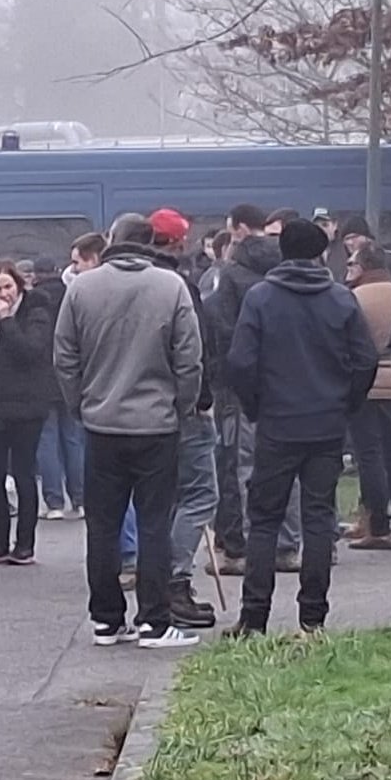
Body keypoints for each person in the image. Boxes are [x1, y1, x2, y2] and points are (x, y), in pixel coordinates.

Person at [55, 213, 204, 649]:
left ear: (111, 241)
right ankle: (154, 621)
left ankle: (106, 619)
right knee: (155, 523)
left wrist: (79, 404)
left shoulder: (82, 288)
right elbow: (189, 359)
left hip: (101, 423)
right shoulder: (170, 286)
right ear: (151, 243)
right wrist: (182, 405)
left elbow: (64, 357)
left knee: (102, 524)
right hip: (157, 424)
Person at [225, 220, 377, 636]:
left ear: (282, 253)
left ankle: (253, 617)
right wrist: (345, 404)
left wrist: (257, 407)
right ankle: (313, 617)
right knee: (318, 519)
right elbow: (365, 360)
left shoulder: (261, 298)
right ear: (320, 253)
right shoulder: (341, 299)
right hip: (326, 424)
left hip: (276, 423)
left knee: (264, 519)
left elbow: (240, 362)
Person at [211, 203, 303, 575]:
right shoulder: (288, 272)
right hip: (290, 384)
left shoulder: (230, 276)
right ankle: (289, 543)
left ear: (240, 233)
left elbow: (221, 329)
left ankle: (256, 542)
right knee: (292, 467)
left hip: (245, 389)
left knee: (246, 467)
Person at [149, 208, 223, 630]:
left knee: (164, 498)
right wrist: (200, 399)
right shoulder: (180, 285)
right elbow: (194, 350)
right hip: (183, 404)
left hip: (139, 408)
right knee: (199, 495)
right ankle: (175, 582)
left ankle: (157, 579)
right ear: (177, 242)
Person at [0, 260, 55, 565]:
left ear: (18, 286)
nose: (3, 294)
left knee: (23, 474)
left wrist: (6, 321)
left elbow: (30, 351)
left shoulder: (36, 312)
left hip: (26, 405)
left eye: (8, 287)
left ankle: (25, 543)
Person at [344, 242, 391, 550]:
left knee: (369, 456)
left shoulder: (353, 298)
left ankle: (378, 527)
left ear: (363, 267)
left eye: (351, 264)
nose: (347, 270)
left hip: (366, 384)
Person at [31, 255, 82, 520]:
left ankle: (54, 502)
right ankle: (80, 498)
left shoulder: (33, 301)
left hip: (42, 378)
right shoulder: (72, 295)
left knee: (47, 439)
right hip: (69, 375)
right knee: (73, 438)